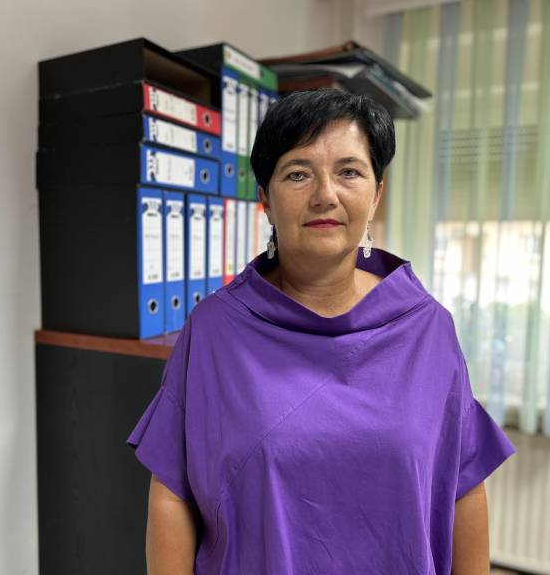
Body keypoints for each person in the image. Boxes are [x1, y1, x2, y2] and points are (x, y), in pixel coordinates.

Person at [126, 89, 516, 574]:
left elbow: (464, 485)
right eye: (298, 173)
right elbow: (172, 491)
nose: (325, 195)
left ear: (376, 194)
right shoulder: (214, 330)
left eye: (349, 172)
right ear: (265, 200)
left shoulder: (428, 328)